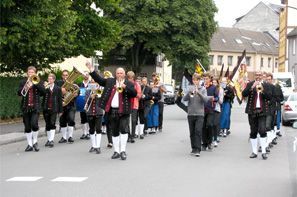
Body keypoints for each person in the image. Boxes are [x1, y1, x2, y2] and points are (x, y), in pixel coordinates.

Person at [86, 61, 137, 160]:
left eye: (121, 73)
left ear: (124, 74)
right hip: (112, 110)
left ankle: (123, 150)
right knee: (114, 131)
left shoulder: (129, 83)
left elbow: (134, 94)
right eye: (118, 73)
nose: (119, 75)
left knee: (123, 130)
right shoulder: (110, 81)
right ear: (115, 74)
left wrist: (125, 88)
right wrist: (91, 69)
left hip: (124, 111)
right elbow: (99, 80)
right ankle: (116, 151)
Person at [242, 69, 272, 160]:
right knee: (253, 131)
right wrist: (251, 88)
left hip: (262, 111)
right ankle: (254, 151)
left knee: (262, 130)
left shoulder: (266, 85)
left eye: (259, 75)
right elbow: (243, 94)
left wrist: (263, 91)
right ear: (254, 75)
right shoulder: (250, 84)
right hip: (252, 111)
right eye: (256, 75)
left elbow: (270, 96)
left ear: (262, 75)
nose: (258, 76)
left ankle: (263, 151)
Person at [18, 66, 46, 152]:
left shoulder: (38, 81)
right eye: (29, 72)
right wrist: (26, 87)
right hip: (26, 106)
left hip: (35, 106)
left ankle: (35, 142)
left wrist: (35, 84)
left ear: (34, 73)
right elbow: (19, 93)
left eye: (32, 72)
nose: (30, 74)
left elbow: (44, 92)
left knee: (34, 124)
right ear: (27, 73)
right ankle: (29, 144)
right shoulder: (23, 82)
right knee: (27, 126)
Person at [183, 73, 208, 156]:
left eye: (197, 80)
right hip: (190, 113)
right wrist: (189, 92)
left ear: (199, 80)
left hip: (199, 114)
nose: (195, 81)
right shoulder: (189, 88)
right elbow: (185, 99)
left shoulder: (203, 89)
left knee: (198, 131)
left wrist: (199, 93)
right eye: (194, 80)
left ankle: (198, 149)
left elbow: (205, 100)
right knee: (192, 132)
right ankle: (193, 148)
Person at [56, 69, 79, 144]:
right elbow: (55, 91)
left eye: (66, 75)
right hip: (62, 105)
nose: (65, 76)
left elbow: (77, 91)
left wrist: (76, 95)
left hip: (70, 104)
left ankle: (70, 136)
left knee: (71, 119)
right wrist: (60, 90)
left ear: (68, 75)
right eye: (64, 75)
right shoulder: (58, 83)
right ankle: (63, 137)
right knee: (62, 121)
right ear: (62, 76)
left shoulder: (74, 82)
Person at [42, 74, 63, 148]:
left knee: (52, 123)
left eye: (51, 79)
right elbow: (41, 95)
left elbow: (60, 100)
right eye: (48, 79)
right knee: (47, 124)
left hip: (54, 108)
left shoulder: (57, 88)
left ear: (54, 80)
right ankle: (48, 139)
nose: (49, 80)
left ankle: (51, 140)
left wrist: (60, 110)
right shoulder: (45, 87)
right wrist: (43, 87)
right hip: (46, 108)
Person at [84, 79, 104, 154]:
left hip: (98, 112)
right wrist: (90, 97)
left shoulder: (100, 90)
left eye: (95, 82)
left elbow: (103, 100)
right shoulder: (88, 91)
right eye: (92, 82)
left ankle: (98, 146)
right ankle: (93, 145)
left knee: (98, 129)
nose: (94, 83)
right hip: (90, 112)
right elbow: (85, 100)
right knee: (91, 129)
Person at [201, 72, 219, 151]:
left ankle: (210, 142)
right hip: (202, 109)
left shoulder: (213, 87)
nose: (205, 80)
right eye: (204, 79)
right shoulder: (201, 86)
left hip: (210, 108)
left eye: (207, 79)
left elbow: (217, 98)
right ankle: (204, 143)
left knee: (210, 124)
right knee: (203, 126)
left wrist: (214, 99)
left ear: (210, 79)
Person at [126, 71, 142, 143]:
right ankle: (128, 135)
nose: (130, 79)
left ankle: (133, 136)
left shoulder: (137, 85)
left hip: (134, 104)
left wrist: (132, 93)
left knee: (133, 120)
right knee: (126, 121)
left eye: (131, 78)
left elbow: (139, 95)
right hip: (127, 104)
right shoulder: (125, 83)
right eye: (129, 78)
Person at [78, 71, 90, 140]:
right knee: (83, 118)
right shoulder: (80, 84)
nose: (85, 76)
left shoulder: (91, 83)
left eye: (87, 75)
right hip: (81, 103)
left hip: (89, 102)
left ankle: (88, 132)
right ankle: (84, 132)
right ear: (83, 76)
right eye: (84, 75)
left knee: (88, 117)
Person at [212, 78, 223, 147]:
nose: (214, 84)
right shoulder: (209, 89)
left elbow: (221, 101)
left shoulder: (220, 90)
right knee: (210, 124)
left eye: (215, 83)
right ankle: (210, 137)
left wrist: (216, 99)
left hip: (217, 108)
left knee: (215, 123)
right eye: (212, 82)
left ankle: (215, 138)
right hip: (210, 108)